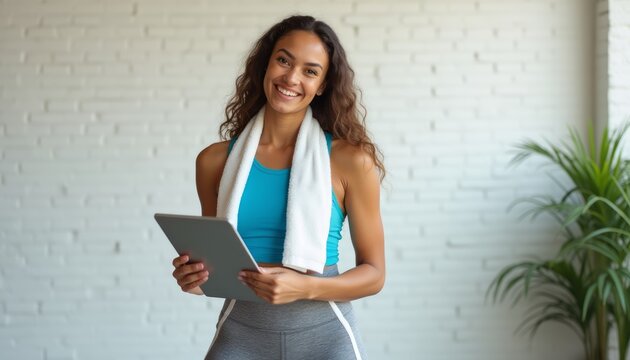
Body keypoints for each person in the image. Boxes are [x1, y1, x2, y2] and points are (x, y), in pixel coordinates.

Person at [170, 15, 385, 360]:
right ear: (266, 64)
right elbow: (214, 269)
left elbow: (374, 274)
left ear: (323, 85)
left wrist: (307, 286)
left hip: (326, 338)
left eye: (310, 71)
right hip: (241, 335)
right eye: (284, 60)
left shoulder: (350, 161)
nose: (291, 78)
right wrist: (194, 279)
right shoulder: (213, 162)